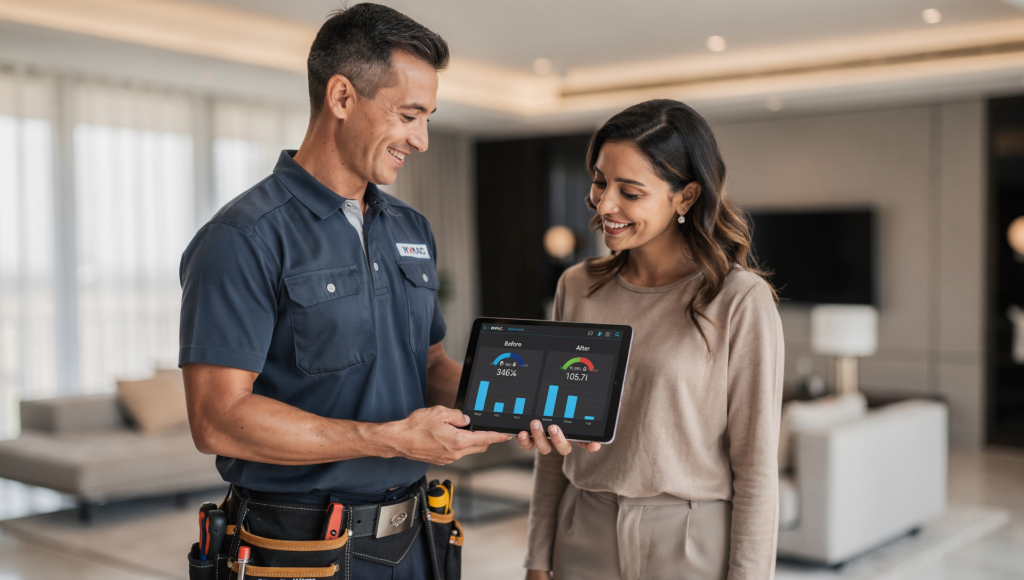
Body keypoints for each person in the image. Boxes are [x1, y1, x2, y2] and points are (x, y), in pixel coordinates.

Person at [178, 5, 508, 579]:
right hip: (298, 551)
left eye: (428, 117)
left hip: (417, 540)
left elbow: (427, 365)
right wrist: (390, 440)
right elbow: (218, 419)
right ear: (342, 97)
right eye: (409, 115)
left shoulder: (411, 228)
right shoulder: (243, 237)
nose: (422, 140)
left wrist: (512, 404)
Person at [517, 100, 784, 580]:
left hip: (690, 539)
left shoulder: (739, 300)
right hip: (583, 529)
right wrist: (538, 558)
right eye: (600, 181)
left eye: (630, 191)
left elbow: (757, 469)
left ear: (685, 197)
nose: (605, 204)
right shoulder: (576, 286)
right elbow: (553, 446)